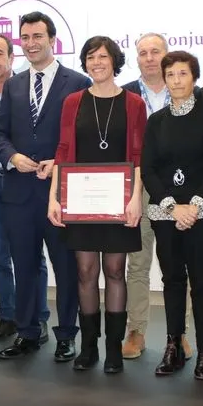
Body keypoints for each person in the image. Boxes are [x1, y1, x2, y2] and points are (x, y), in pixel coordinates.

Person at [0, 11, 90, 361]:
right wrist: (12, 156)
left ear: (52, 40)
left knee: (65, 268)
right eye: (25, 37)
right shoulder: (14, 84)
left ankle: (66, 336)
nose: (30, 43)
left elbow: (85, 137)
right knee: (25, 266)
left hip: (60, 194)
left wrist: (60, 163)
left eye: (37, 36)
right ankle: (28, 332)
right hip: (19, 193)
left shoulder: (77, 82)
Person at [48, 36, 145, 373]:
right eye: (91, 57)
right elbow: (62, 151)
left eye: (103, 56)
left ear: (114, 61)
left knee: (115, 272)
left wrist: (136, 198)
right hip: (81, 202)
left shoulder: (134, 103)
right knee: (86, 272)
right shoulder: (73, 102)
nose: (97, 63)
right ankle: (89, 347)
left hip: (120, 202)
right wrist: (54, 197)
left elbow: (139, 156)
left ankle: (114, 349)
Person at [142, 50, 203, 380]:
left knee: (202, 283)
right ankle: (173, 346)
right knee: (172, 281)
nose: (176, 81)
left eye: (183, 74)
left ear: (194, 78)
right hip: (167, 214)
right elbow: (149, 169)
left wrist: (193, 205)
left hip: (201, 213)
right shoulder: (156, 121)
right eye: (171, 75)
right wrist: (171, 206)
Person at [0, 34, 50, 343]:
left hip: (24, 181)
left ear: (12, 57)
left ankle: (38, 317)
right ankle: (8, 316)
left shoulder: (27, 86)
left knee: (31, 256)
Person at [121, 33, 192, 361]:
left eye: (155, 52)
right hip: (139, 188)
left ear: (167, 56)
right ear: (136, 59)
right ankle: (136, 330)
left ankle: (180, 333)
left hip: (177, 190)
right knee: (137, 262)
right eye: (143, 53)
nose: (149, 58)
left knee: (177, 265)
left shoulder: (187, 92)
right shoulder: (125, 95)